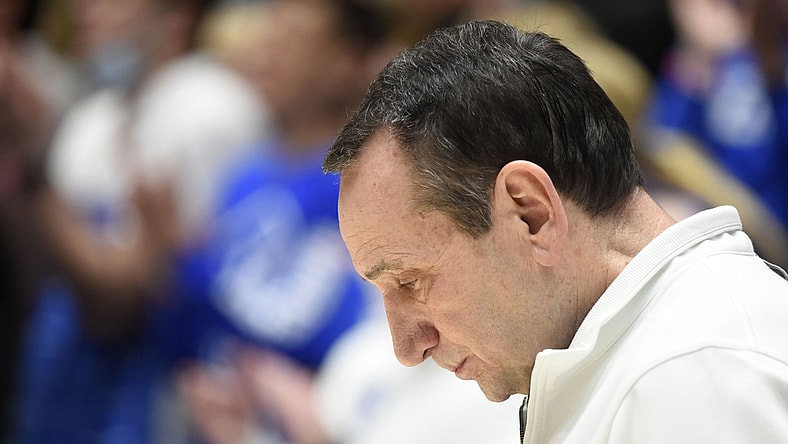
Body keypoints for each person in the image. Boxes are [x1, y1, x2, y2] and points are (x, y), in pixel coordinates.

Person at [323, 20, 788, 443]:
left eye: (410, 281)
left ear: (532, 214)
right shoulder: (652, 358)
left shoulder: (692, 372)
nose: (407, 348)